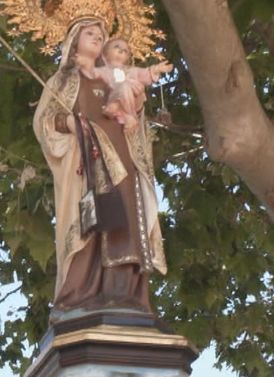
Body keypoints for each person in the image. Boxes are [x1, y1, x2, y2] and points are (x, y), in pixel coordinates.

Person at [32, 20, 167, 317]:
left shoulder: (113, 78)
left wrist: (137, 109)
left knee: (128, 219)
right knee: (90, 223)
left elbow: (134, 119)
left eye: (101, 36)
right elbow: (45, 121)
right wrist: (67, 122)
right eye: (89, 33)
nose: (96, 38)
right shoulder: (65, 80)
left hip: (123, 160)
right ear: (74, 40)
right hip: (88, 162)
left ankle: (125, 294)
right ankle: (80, 294)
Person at [97, 37, 173, 131]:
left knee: (125, 85)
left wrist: (157, 69)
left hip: (133, 100)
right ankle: (120, 111)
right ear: (105, 52)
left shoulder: (130, 71)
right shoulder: (102, 70)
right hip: (111, 97)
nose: (121, 51)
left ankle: (124, 112)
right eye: (117, 47)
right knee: (121, 86)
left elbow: (145, 74)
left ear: (127, 57)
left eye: (125, 51)